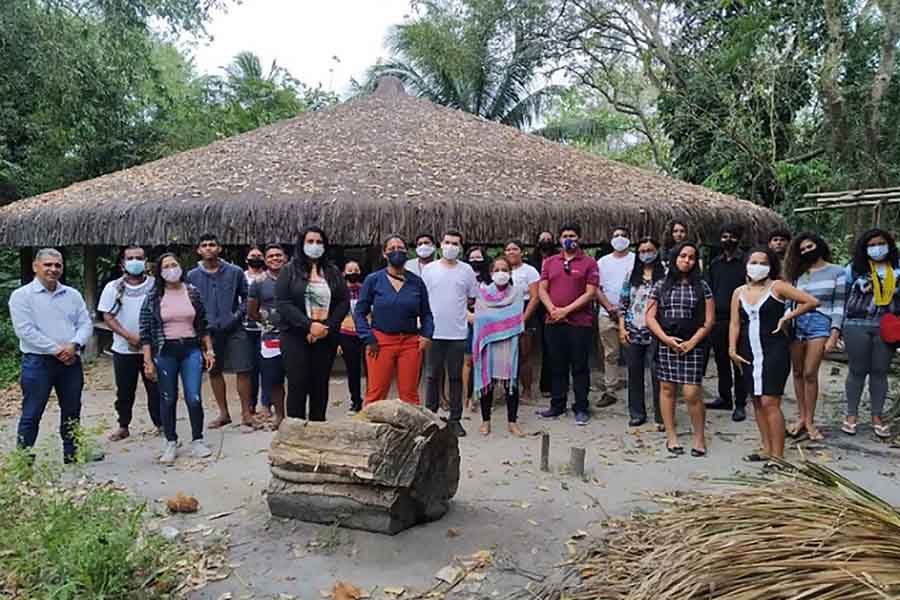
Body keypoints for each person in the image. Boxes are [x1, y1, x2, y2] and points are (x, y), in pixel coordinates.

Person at [729, 247, 818, 467]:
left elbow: (811, 301)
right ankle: (767, 448)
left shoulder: (777, 287)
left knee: (770, 401)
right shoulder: (738, 292)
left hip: (774, 350)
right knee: (757, 401)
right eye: (753, 261)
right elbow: (734, 323)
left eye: (763, 262)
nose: (757, 266)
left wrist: (788, 317)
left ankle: (778, 456)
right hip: (748, 351)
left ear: (770, 266)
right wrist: (732, 349)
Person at [10, 248, 98, 464]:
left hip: (70, 362)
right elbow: (25, 330)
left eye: (57, 265)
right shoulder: (22, 296)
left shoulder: (72, 295)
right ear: (35, 267)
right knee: (32, 413)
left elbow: (85, 323)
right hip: (38, 362)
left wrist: (75, 345)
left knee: (72, 410)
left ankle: (72, 454)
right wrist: (58, 350)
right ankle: (24, 460)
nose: (53, 269)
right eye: (48, 264)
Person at [140, 253, 216, 464]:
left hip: (191, 348)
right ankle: (171, 441)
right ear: (159, 271)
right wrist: (148, 361)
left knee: (194, 397)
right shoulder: (153, 297)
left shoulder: (192, 292)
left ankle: (197, 440)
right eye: (166, 266)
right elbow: (145, 331)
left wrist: (209, 350)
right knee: (168, 397)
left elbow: (203, 324)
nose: (171, 269)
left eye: (174, 264)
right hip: (165, 351)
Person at [646, 242, 714, 457]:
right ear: (675, 258)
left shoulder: (702, 286)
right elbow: (649, 317)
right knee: (667, 389)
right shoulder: (660, 285)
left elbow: (709, 320)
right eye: (683, 256)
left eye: (692, 257)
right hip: (667, 343)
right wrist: (666, 339)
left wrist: (693, 342)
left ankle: (699, 437)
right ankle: (671, 436)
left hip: (692, 344)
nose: (687, 260)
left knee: (692, 392)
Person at [275, 226, 349, 421]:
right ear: (302, 244)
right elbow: (283, 303)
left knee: (320, 384)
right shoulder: (288, 270)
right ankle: (294, 432)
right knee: (297, 384)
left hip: (325, 336)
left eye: (319, 242)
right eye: (310, 241)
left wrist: (327, 327)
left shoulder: (332, 271)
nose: (315, 245)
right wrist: (308, 326)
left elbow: (343, 302)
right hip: (295, 336)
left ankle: (317, 428)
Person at [354, 235, 434, 405]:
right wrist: (368, 337)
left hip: (410, 343)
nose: (396, 251)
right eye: (391, 249)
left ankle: (411, 430)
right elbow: (360, 312)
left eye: (400, 248)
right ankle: (372, 430)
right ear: (384, 254)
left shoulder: (416, 282)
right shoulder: (373, 280)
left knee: (410, 395)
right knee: (376, 393)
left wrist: (427, 335)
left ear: (407, 252)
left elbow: (426, 313)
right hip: (380, 342)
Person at [186, 233, 254, 431]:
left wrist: (236, 316)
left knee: (243, 368)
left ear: (219, 248)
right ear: (199, 250)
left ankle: (246, 413)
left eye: (212, 245)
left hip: (235, 328)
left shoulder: (235, 271)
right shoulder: (192, 276)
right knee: (214, 370)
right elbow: (189, 302)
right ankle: (224, 413)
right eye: (204, 245)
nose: (209, 248)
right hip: (208, 332)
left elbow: (247, 297)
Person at [783, 233, 846, 441]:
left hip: (821, 323)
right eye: (802, 250)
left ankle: (810, 421)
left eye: (810, 247)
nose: (806, 251)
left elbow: (839, 305)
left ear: (819, 245)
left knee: (811, 372)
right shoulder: (797, 274)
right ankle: (802, 417)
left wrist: (834, 334)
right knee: (798, 372)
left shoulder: (837, 271)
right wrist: (785, 322)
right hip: (796, 322)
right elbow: (788, 301)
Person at [538, 224, 599, 425]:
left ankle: (581, 407)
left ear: (579, 238)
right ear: (559, 239)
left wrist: (566, 310)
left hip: (579, 322)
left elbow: (590, 292)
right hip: (553, 321)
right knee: (557, 365)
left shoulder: (589, 263)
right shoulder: (550, 262)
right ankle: (557, 405)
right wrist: (553, 309)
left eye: (572, 235)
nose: (568, 239)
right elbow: (542, 289)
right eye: (564, 236)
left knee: (580, 366)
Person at [841, 228, 900, 438]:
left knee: (880, 370)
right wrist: (837, 327)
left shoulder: (898, 268)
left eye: (880, 244)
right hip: (856, 323)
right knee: (857, 369)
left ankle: (877, 416)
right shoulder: (854, 269)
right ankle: (851, 415)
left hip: (887, 324)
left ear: (889, 245)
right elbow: (844, 296)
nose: (876, 248)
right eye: (871, 245)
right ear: (865, 248)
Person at [98, 245, 161, 441]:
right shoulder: (114, 287)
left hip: (153, 349)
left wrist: (147, 339)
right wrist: (129, 336)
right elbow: (107, 315)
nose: (135, 262)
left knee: (156, 388)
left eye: (139, 258)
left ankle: (161, 424)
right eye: (130, 258)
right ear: (123, 263)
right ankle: (123, 425)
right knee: (125, 390)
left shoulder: (155, 285)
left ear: (146, 261)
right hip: (123, 349)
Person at [422, 230, 479, 436]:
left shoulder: (467, 271)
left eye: (455, 243)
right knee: (431, 376)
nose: (451, 247)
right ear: (440, 244)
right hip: (433, 333)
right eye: (447, 242)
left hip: (457, 332)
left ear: (461, 247)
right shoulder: (428, 270)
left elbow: (472, 299)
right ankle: (429, 417)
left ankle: (455, 419)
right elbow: (422, 299)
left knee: (455, 377)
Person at [473, 257, 526, 437]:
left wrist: (493, 321)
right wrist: (499, 322)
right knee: (487, 384)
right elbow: (480, 318)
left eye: (505, 270)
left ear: (510, 273)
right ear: (491, 273)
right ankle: (485, 421)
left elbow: (517, 318)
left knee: (511, 383)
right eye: (497, 270)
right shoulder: (482, 293)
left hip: (508, 342)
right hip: (488, 342)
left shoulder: (517, 293)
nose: (501, 273)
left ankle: (512, 422)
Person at [618, 238, 666, 428]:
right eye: (643, 251)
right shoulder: (631, 275)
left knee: (659, 374)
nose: (646, 253)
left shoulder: (666, 275)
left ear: (657, 251)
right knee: (634, 373)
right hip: (633, 330)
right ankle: (637, 413)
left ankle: (662, 416)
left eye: (650, 250)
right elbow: (623, 304)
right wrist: (622, 328)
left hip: (658, 332)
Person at [705, 223, 748, 421]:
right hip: (719, 319)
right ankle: (724, 398)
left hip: (741, 318)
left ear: (739, 239)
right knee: (721, 360)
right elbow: (709, 291)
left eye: (731, 236)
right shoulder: (715, 263)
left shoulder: (747, 263)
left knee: (738, 361)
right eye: (724, 237)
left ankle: (740, 404)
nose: (727, 240)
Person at [247, 244, 288, 429]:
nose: (275, 258)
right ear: (265, 260)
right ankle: (280, 415)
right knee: (274, 379)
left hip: (294, 336)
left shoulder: (294, 278)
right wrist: (268, 322)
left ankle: (296, 415)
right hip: (270, 337)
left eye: (278, 255)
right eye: (270, 256)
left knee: (297, 377)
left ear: (285, 258)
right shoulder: (258, 283)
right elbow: (252, 311)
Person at [595, 226, 634, 405]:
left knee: (634, 353)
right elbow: (596, 288)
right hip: (606, 313)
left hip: (632, 315)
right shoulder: (603, 262)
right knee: (610, 353)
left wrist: (626, 310)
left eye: (623, 235)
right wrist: (610, 307)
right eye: (616, 235)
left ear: (629, 239)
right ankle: (610, 390)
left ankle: (636, 389)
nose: (619, 238)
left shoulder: (636, 260)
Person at [504, 240, 541, 401]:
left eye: (515, 249)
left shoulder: (530, 271)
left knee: (524, 354)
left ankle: (526, 390)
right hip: (504, 312)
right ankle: (508, 389)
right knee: (504, 355)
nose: (511, 252)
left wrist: (523, 318)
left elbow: (535, 296)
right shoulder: (501, 269)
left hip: (525, 312)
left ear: (522, 252)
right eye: (508, 249)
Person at [463, 246, 490, 411]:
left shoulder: (491, 279)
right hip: (468, 321)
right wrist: (468, 314)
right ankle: (467, 398)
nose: (475, 261)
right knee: (468, 361)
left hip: (487, 322)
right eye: (472, 258)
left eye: (478, 258)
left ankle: (483, 396)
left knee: (485, 360)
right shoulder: (463, 277)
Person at [531, 231, 557, 398]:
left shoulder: (558, 260)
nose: (545, 241)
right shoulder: (531, 262)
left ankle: (548, 384)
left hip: (552, 305)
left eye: (548, 239)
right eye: (542, 239)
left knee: (551, 346)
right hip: (534, 306)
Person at [244, 246, 268, 418]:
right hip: (245, 329)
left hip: (266, 329)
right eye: (253, 256)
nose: (256, 258)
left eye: (259, 256)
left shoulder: (269, 278)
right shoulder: (241, 277)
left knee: (267, 368)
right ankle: (250, 405)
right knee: (250, 368)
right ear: (247, 259)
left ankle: (266, 404)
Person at [339, 259, 365, 413]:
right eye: (350, 271)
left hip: (365, 333)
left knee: (371, 370)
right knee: (352, 370)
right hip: (345, 334)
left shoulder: (366, 289)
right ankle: (356, 401)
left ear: (360, 272)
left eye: (356, 270)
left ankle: (371, 400)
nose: (353, 273)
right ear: (344, 273)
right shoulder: (339, 292)